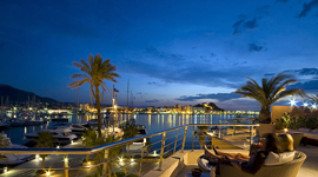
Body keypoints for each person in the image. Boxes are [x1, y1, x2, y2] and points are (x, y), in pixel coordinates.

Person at [205, 133, 279, 175]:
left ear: (269, 142)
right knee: (239, 155)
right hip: (250, 161)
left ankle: (213, 156)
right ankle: (218, 153)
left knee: (228, 159)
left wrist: (238, 166)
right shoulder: (267, 152)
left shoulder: (262, 155)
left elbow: (253, 171)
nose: (262, 139)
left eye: (265, 139)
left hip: (245, 165)